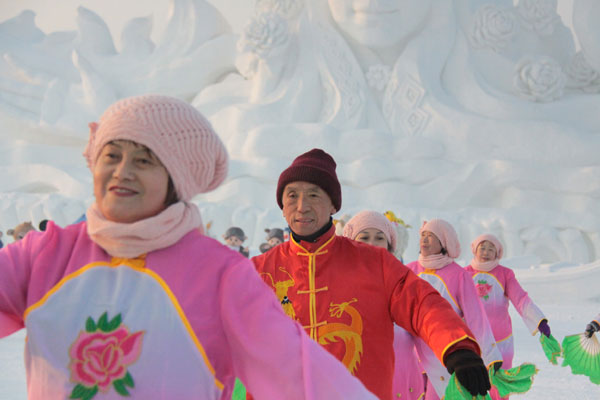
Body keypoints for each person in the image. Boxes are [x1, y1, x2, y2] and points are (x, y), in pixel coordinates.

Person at [0, 96, 378, 400]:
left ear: (175, 179)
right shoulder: (45, 255)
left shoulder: (219, 275)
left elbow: (300, 374)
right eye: (111, 155)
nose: (122, 171)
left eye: (144, 160)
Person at [251, 148, 492, 400]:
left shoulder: (376, 263)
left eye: (313, 195)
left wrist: (457, 347)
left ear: (333, 204)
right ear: (282, 206)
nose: (301, 207)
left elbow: (423, 305)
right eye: (292, 196)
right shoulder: (258, 271)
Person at [406, 219, 503, 400]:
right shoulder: (408, 270)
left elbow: (476, 318)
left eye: (431, 236)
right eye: (423, 235)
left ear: (444, 243)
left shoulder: (458, 275)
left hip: (444, 353)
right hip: (411, 353)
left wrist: (490, 357)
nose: (424, 240)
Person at [343, 210, 426, 400]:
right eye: (364, 237)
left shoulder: (403, 282)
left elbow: (425, 328)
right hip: (353, 376)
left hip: (400, 376)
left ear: (389, 245)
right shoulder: (336, 282)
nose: (371, 243)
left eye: (379, 238)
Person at [464, 234, 550, 399]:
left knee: (500, 385)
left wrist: (539, 320)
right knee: (472, 384)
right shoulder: (464, 274)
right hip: (473, 340)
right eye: (483, 247)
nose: (486, 252)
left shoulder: (505, 274)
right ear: (475, 249)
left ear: (498, 254)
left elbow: (521, 299)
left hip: (500, 341)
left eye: (491, 249)